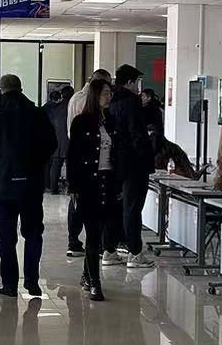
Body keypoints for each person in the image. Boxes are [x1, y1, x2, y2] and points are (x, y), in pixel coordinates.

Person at [0, 75, 57, 297]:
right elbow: (52, 144)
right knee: (33, 233)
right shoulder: (37, 113)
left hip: (3, 184)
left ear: (0, 90)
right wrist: (36, 162)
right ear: (20, 89)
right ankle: (32, 282)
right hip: (31, 184)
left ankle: (10, 284)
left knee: (6, 236)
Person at [66, 75, 116, 301]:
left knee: (103, 231)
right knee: (93, 233)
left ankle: (87, 274)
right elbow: (73, 156)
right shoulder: (81, 122)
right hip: (88, 183)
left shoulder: (111, 121)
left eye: (110, 93)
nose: (108, 97)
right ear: (95, 95)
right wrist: (73, 187)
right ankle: (95, 281)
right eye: (105, 93)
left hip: (108, 181)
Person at [104, 63, 155, 268]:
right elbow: (137, 134)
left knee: (114, 208)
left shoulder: (111, 101)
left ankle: (109, 250)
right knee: (133, 208)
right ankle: (134, 252)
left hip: (114, 162)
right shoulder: (131, 102)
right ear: (130, 82)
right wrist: (146, 156)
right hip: (134, 164)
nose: (138, 87)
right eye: (137, 82)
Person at [65, 69, 110, 257]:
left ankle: (75, 242)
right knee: (83, 211)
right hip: (87, 167)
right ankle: (83, 246)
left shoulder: (75, 98)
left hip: (97, 170)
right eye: (105, 91)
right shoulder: (85, 111)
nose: (109, 96)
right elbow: (74, 151)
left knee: (80, 209)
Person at [45, 85, 70, 193]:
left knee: (55, 164)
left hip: (56, 139)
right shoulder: (71, 105)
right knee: (70, 165)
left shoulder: (54, 107)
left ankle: (53, 188)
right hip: (68, 140)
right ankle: (70, 188)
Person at [139, 87, 165, 160]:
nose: (141, 98)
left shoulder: (150, 109)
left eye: (143, 96)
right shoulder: (157, 108)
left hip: (151, 135)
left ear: (149, 98)